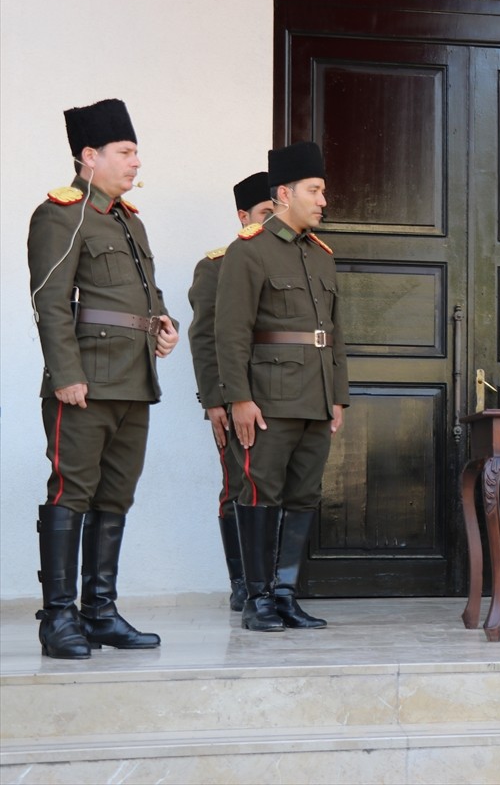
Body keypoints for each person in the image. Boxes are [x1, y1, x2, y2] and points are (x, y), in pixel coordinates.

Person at [27, 98, 180, 659]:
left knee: (116, 496)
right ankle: (59, 618)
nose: (136, 161)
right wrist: (65, 373)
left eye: (136, 151)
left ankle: (99, 612)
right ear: (89, 156)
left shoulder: (127, 220)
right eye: (125, 151)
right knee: (73, 492)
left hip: (133, 382)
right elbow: (49, 299)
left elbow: (148, 294)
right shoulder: (62, 214)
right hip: (85, 382)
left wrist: (164, 327)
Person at [215, 141, 348, 632]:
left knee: (303, 496)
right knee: (258, 493)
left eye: (322, 191)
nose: (323, 201)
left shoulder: (322, 257)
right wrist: (239, 398)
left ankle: (286, 594)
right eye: (315, 191)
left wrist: (338, 395)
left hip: (315, 397)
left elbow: (334, 333)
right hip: (268, 399)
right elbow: (228, 332)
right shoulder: (248, 251)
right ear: (285, 193)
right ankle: (257, 599)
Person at [188, 171, 272, 612]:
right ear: (243, 217)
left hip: (283, 394)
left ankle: (274, 581)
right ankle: (242, 581)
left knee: (279, 487)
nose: (274, 220)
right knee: (238, 484)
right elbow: (204, 338)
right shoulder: (217, 265)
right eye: (264, 213)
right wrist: (215, 401)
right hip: (237, 397)